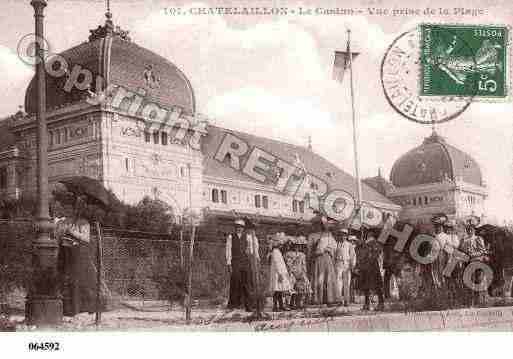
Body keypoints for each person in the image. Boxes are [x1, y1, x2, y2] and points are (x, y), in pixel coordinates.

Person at [54, 195, 95, 316]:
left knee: (79, 281)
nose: (67, 211)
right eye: (65, 208)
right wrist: (60, 233)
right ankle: (66, 309)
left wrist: (73, 232)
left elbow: (86, 239)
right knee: (64, 280)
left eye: (70, 208)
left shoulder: (83, 222)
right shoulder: (61, 222)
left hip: (78, 254)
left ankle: (82, 308)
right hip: (64, 253)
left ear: (74, 209)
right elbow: (56, 237)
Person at [226, 219, 254, 311]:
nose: (239, 229)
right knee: (235, 283)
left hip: (245, 262)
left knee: (246, 284)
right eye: (238, 227)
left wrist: (249, 251)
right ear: (235, 227)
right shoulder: (231, 237)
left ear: (243, 228)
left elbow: (251, 249)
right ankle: (232, 305)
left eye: (241, 227)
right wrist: (229, 263)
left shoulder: (248, 237)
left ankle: (248, 306)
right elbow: (228, 250)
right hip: (235, 262)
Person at [460, 215, 489, 307]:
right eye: (468, 229)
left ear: (474, 229)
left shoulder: (478, 239)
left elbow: (482, 251)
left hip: (477, 262)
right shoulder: (463, 240)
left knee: (478, 281)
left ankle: (479, 302)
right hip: (467, 263)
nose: (469, 231)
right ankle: (470, 302)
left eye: (471, 229)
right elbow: (460, 251)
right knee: (468, 282)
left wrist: (473, 254)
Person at [308, 216, 337, 306]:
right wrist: (311, 256)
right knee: (319, 278)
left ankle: (329, 299)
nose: (318, 226)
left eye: (320, 224)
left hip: (327, 257)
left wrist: (328, 249)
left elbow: (334, 246)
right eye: (316, 224)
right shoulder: (312, 235)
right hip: (317, 258)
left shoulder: (328, 235)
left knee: (328, 278)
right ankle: (317, 299)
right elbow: (309, 248)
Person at [355, 227, 385, 311]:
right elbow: (360, 254)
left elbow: (377, 252)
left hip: (372, 266)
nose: (367, 234)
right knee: (366, 286)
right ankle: (367, 304)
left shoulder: (375, 243)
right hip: (365, 266)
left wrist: (370, 254)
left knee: (376, 286)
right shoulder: (363, 243)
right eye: (366, 233)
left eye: (369, 233)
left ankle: (381, 304)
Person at [284, 236, 311, 309]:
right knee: (291, 287)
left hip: (300, 272)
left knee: (303, 286)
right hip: (292, 272)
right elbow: (288, 264)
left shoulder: (302, 255)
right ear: (293, 246)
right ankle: (290, 303)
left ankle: (299, 303)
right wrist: (290, 272)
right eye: (296, 245)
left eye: (299, 246)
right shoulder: (289, 254)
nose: (297, 247)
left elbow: (303, 265)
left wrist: (304, 273)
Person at [268, 233, 292, 312]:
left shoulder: (278, 252)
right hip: (278, 274)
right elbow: (277, 263)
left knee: (280, 290)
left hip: (280, 273)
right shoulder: (275, 252)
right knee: (277, 290)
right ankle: (275, 306)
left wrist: (284, 273)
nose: (282, 246)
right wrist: (280, 274)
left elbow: (281, 264)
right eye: (281, 245)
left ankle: (281, 305)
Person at [334, 227, 356, 306]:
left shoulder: (349, 245)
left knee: (347, 282)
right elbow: (333, 255)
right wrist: (334, 264)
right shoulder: (336, 244)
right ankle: (339, 300)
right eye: (341, 235)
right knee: (338, 282)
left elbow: (353, 255)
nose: (342, 236)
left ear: (346, 236)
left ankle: (346, 300)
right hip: (338, 263)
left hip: (346, 263)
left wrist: (352, 265)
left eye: (344, 235)